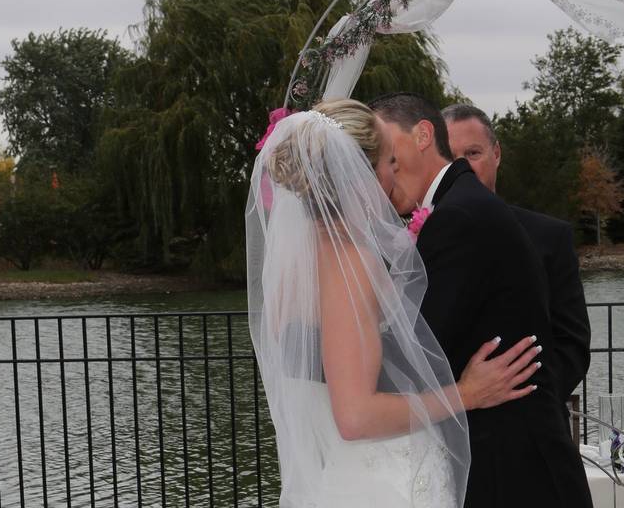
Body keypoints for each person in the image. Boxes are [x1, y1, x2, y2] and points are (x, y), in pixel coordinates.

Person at [246, 99, 540, 507]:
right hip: (385, 482)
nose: (392, 173)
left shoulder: (295, 266)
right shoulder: (352, 263)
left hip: (339, 476)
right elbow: (354, 416)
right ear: (359, 176)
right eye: (388, 161)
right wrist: (466, 393)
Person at [369, 92, 593, 507]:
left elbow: (415, 357)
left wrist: (313, 359)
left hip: (515, 473)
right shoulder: (459, 206)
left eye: (388, 153)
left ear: (421, 135)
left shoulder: (459, 217)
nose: (382, 169)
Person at [442, 103, 591, 406]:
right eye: (451, 158)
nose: (462, 169)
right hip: (440, 424)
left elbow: (571, 344)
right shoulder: (413, 241)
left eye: (472, 154)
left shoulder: (550, 237)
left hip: (528, 427)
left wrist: (528, 405)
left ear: (496, 154)